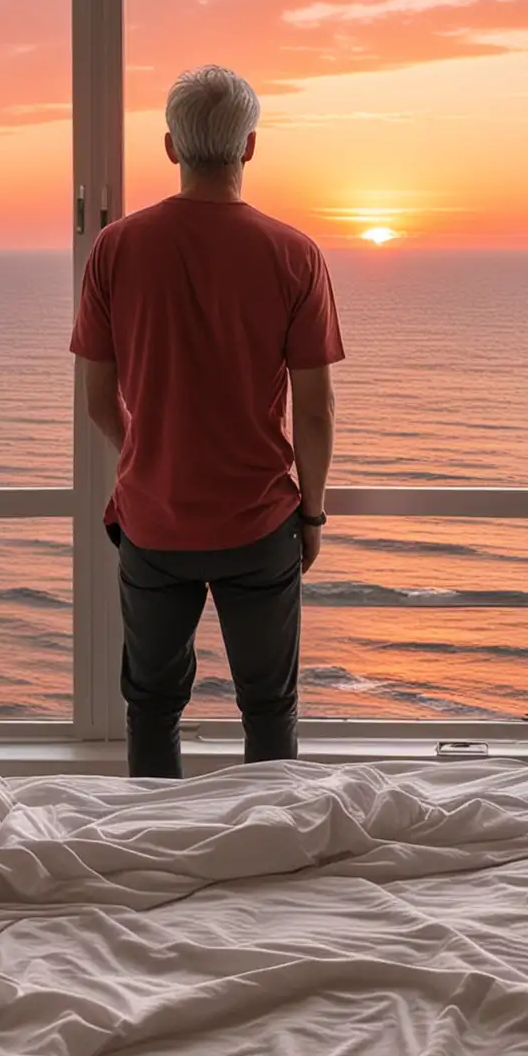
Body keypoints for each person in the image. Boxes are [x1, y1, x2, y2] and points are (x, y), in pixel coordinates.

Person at [69, 65, 344, 778]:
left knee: (153, 707)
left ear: (170, 147)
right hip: (259, 526)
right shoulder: (295, 255)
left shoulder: (116, 249)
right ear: (249, 147)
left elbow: (100, 398)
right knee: (268, 707)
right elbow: (314, 410)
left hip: (154, 527)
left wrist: (146, 457)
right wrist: (311, 515)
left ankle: (156, 856)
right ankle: (273, 848)